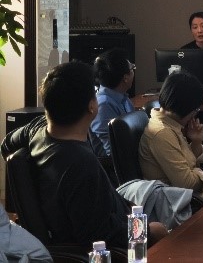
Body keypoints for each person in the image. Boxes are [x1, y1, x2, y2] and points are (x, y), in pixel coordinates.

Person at [0, 62, 167, 250]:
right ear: (91, 106)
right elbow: (99, 236)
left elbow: (6, 145)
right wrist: (149, 231)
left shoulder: (36, 129)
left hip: (117, 216)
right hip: (113, 247)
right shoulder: (81, 164)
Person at [138, 71, 203, 197]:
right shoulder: (162, 133)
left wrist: (196, 142)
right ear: (185, 108)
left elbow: (188, 164)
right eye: (196, 109)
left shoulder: (171, 125)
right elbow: (187, 184)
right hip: (182, 201)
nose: (195, 114)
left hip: (194, 195)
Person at [90, 48, 136, 158]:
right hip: (113, 165)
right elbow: (111, 152)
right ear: (125, 78)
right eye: (132, 68)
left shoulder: (123, 97)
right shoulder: (103, 105)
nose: (134, 72)